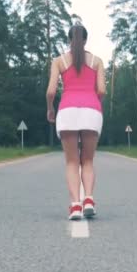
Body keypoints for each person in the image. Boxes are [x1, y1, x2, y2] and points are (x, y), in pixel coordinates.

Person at [46, 23, 106, 220]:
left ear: (69, 40)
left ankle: (75, 206)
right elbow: (102, 90)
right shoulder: (97, 61)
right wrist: (97, 104)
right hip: (92, 111)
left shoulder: (59, 61)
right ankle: (88, 199)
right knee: (87, 160)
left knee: (72, 162)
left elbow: (51, 91)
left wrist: (50, 108)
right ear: (86, 40)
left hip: (67, 111)